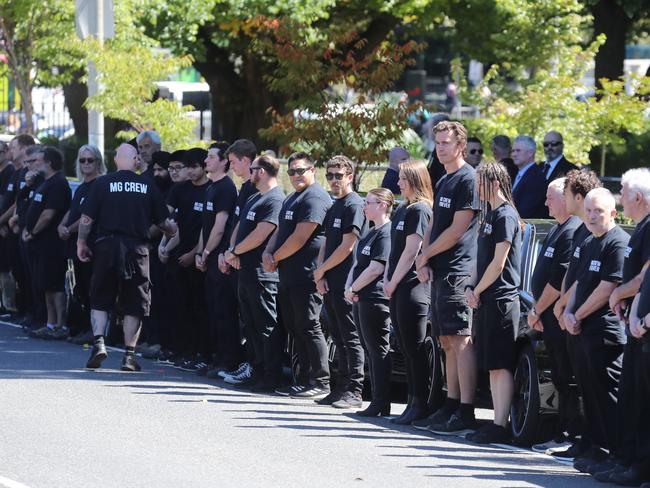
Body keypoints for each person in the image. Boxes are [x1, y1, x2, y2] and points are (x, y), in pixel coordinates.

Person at [78, 143, 176, 371]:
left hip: (105, 248)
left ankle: (99, 343)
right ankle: (129, 356)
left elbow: (86, 220)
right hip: (137, 249)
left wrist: (81, 242)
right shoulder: (148, 185)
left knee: (100, 298)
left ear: (115, 162)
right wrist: (172, 231)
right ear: (135, 161)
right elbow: (163, 222)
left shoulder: (102, 184)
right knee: (135, 303)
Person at [414, 120, 479, 434]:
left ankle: (466, 410)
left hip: (458, 269)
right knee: (444, 340)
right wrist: (422, 256)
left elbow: (457, 230)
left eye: (446, 143)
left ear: (460, 146)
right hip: (439, 269)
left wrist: (427, 254)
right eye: (437, 143)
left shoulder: (469, 179)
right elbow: (434, 224)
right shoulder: (443, 179)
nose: (441, 148)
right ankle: (451, 403)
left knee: (460, 339)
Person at [562, 188, 629, 475]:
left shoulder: (617, 243)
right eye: (588, 210)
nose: (591, 216)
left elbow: (607, 289)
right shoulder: (590, 241)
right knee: (590, 393)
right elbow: (579, 282)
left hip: (604, 332)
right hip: (582, 329)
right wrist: (567, 311)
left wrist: (576, 314)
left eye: (598, 211)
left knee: (607, 395)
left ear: (613, 213)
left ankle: (615, 452)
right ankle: (598, 448)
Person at [263, 152, 332, 398]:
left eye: (300, 170)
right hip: (287, 274)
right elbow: (281, 229)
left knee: (309, 326)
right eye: (291, 171)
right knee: (295, 327)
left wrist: (276, 257)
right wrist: (268, 252)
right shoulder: (293, 197)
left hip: (307, 275)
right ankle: (302, 379)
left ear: (312, 170)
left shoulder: (315, 198)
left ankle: (320, 381)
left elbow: (301, 237)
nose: (295, 176)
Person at [465, 161, 523, 444]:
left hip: (501, 299)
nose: (477, 187)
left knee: (500, 364)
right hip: (486, 298)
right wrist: (470, 286)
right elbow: (482, 259)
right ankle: (495, 420)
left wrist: (477, 289)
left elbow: (499, 263)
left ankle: (500, 423)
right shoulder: (488, 216)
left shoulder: (506, 216)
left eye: (480, 182)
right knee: (490, 364)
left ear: (495, 183)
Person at [600, 168, 650, 484]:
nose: (621, 199)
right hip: (634, 323)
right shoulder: (640, 228)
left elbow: (645, 276)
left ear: (638, 197)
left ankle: (639, 466)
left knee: (642, 401)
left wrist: (619, 293)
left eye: (623, 192)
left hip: (642, 327)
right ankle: (628, 460)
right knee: (632, 397)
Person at [550, 168, 602, 461]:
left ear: (578, 197)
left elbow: (587, 280)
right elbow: (572, 272)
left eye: (567, 193)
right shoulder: (581, 230)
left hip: (587, 321)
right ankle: (584, 441)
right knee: (577, 382)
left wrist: (565, 306)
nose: (562, 199)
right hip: (570, 316)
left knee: (591, 388)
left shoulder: (595, 232)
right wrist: (563, 306)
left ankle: (594, 442)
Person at [527, 178, 582, 452]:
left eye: (550, 196)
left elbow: (559, 279)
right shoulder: (556, 229)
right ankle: (561, 432)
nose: (546, 202)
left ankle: (571, 435)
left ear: (565, 198)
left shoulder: (572, 230)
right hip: (548, 317)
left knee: (568, 377)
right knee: (560, 376)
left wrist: (538, 308)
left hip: (560, 317)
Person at [225, 153, 285, 391]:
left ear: (262, 172)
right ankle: (257, 370)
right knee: (250, 324)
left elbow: (262, 233)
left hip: (262, 274)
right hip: (245, 270)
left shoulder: (275, 199)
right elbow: (240, 227)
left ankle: (271, 375)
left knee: (265, 324)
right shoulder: (255, 198)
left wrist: (235, 251)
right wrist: (233, 251)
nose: (249, 173)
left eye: (252, 169)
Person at [314, 155, 366, 408]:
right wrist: (321, 272)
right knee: (336, 334)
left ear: (350, 176)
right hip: (330, 280)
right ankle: (340, 386)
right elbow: (326, 240)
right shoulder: (335, 205)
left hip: (347, 282)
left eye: (339, 175)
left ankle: (354, 390)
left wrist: (322, 269)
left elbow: (347, 246)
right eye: (330, 175)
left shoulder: (354, 205)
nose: (334, 180)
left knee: (350, 336)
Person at [384, 160, 432, 424]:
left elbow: (412, 251)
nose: (399, 183)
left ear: (415, 180)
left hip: (412, 286)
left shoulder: (420, 210)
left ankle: (419, 402)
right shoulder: (403, 209)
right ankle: (412, 402)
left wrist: (393, 281)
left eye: (403, 179)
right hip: (396, 284)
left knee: (414, 347)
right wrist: (388, 279)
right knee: (403, 344)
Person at [346, 188, 393, 416]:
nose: (365, 207)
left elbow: (376, 268)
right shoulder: (370, 232)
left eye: (370, 202)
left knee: (378, 349)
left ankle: (381, 401)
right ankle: (376, 399)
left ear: (383, 205)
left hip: (375, 298)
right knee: (369, 347)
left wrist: (355, 288)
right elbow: (358, 264)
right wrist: (350, 288)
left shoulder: (386, 233)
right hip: (361, 297)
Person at [217, 138, 259, 384]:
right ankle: (247, 364)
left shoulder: (255, 190)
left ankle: (255, 367)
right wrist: (228, 252)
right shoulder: (244, 188)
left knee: (254, 322)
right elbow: (238, 224)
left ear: (246, 160)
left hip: (248, 265)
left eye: (233, 162)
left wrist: (234, 252)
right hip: (235, 259)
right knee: (244, 319)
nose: (231, 167)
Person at [195, 142, 238, 377]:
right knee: (212, 309)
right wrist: (201, 252)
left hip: (220, 258)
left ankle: (227, 359)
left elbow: (220, 228)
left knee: (224, 311)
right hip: (209, 257)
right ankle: (215, 357)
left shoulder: (226, 188)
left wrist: (208, 252)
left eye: (211, 157)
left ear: (224, 161)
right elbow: (206, 226)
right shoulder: (210, 187)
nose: (206, 161)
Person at [165, 148, 211, 371]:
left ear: (204, 167)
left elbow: (208, 229)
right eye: (187, 167)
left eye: (194, 167)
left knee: (200, 308)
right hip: (179, 255)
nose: (190, 172)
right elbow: (173, 223)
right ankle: (183, 350)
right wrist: (165, 246)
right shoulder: (180, 190)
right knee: (180, 306)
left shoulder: (211, 190)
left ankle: (202, 352)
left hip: (201, 258)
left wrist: (194, 253)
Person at [58, 145, 106, 344]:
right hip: (74, 246)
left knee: (92, 290)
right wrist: (62, 224)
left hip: (91, 246)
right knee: (80, 289)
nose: (86, 164)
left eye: (90, 160)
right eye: (82, 160)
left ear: (99, 162)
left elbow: (89, 216)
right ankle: (82, 327)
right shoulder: (81, 186)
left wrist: (69, 230)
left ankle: (95, 332)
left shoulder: (100, 184)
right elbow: (73, 210)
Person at [22, 147, 71, 339]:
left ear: (49, 162)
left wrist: (33, 232)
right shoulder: (44, 182)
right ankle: (50, 324)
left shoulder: (58, 183)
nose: (35, 163)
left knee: (56, 286)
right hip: (40, 244)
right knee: (46, 285)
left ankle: (61, 325)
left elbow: (48, 214)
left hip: (52, 244)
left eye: (39, 160)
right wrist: (28, 228)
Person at [628, 268, 650, 488]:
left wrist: (643, 323)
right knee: (643, 411)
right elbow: (642, 290)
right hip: (645, 342)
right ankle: (643, 469)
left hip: (646, 331)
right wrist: (634, 318)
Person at [511, 135, 547, 218]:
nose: (514, 154)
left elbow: (525, 210)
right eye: (513, 151)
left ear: (530, 153)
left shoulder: (536, 177)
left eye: (518, 151)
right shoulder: (517, 174)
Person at [0, 140, 16, 315]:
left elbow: (14, 204)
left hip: (7, 229)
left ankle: (9, 306)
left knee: (6, 269)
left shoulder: (10, 172)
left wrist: (1, 223)